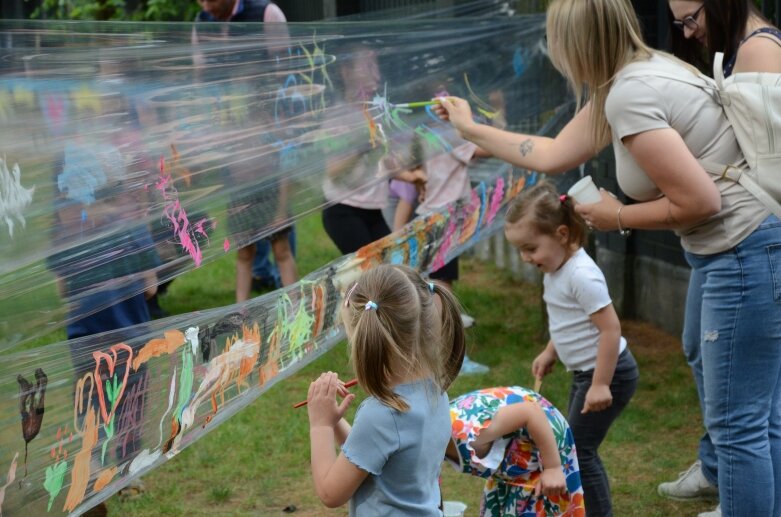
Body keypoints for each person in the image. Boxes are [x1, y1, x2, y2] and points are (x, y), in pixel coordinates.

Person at [435, 1, 781, 515]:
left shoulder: (630, 95)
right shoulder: (634, 77)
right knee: (751, 414)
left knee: (738, 425)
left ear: (575, 45)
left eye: (555, 41)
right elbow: (551, 153)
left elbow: (700, 201)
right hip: (735, 249)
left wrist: (616, 215)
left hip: (744, 249)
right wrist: (471, 129)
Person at [657, 3, 781, 512]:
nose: (689, 32)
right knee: (745, 403)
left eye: (691, 18)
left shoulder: (759, 51)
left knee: (745, 419)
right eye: (680, 23)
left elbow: (767, 163)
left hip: (753, 244)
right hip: (729, 245)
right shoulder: (740, 50)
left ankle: (740, 494)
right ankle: (725, 477)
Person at [501, 181, 638, 516]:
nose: (525, 257)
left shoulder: (581, 275)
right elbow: (569, 321)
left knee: (578, 449)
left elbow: (610, 329)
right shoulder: (556, 267)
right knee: (573, 446)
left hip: (608, 373)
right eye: (521, 249)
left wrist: (600, 384)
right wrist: (551, 351)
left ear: (562, 234)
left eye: (530, 248)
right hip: (586, 373)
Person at [305, 264, 466, 515]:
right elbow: (373, 455)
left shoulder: (382, 414)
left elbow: (330, 492)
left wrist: (321, 426)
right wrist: (336, 423)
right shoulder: (435, 393)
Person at [194, 0, 298, 303]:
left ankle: (292, 304)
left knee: (281, 248)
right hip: (241, 193)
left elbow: (285, 167)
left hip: (270, 191)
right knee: (244, 250)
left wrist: (280, 208)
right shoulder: (233, 133)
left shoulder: (266, 13)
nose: (204, 5)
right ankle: (242, 310)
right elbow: (201, 79)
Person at [445, 386, 584, 516]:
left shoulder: (468, 432)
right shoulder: (430, 448)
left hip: (544, 441)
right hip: (510, 465)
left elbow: (531, 411)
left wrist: (552, 467)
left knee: (543, 503)